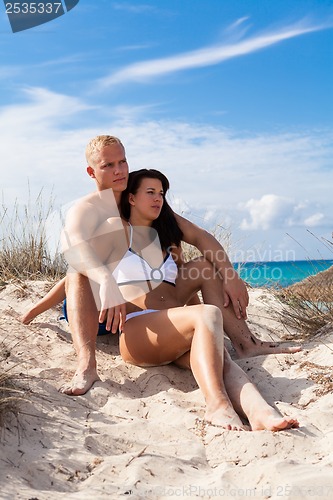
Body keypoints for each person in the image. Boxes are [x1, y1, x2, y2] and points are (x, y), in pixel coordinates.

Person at [20, 135, 300, 396]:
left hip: (133, 304)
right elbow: (75, 251)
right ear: (92, 172)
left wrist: (231, 276)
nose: (119, 170)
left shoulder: (139, 198)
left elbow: (201, 237)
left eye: (122, 162)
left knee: (200, 264)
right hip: (98, 308)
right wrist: (48, 304)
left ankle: (245, 343)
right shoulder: (90, 208)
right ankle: (86, 365)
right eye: (108, 165)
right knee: (80, 270)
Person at [73, 168, 300, 431]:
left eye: (161, 193)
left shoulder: (165, 232)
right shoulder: (117, 229)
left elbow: (203, 238)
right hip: (139, 331)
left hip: (175, 329)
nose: (158, 198)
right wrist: (42, 305)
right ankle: (217, 404)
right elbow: (77, 268)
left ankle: (260, 412)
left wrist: (230, 275)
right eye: (150, 193)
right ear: (132, 198)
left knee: (221, 359)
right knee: (207, 314)